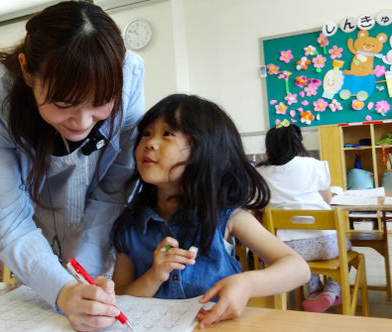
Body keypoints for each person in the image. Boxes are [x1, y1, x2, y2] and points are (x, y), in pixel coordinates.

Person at [0, 0, 144, 331]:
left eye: (100, 104)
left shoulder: (129, 75)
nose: (81, 123)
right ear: (26, 70)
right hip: (32, 238)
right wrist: (62, 290)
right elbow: (8, 218)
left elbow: (112, 192)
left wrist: (85, 283)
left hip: (96, 237)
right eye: (63, 104)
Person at [111, 94, 310, 328]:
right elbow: (121, 299)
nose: (150, 143)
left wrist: (246, 284)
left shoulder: (228, 218)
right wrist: (153, 276)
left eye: (167, 134)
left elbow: (297, 268)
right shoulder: (129, 225)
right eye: (146, 133)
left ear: (204, 150)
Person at [256, 120, 346, 313]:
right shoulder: (314, 165)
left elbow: (258, 203)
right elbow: (327, 199)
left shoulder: (260, 172)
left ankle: (314, 291)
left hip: (284, 249)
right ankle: (330, 292)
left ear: (269, 147)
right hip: (326, 245)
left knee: (302, 249)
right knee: (346, 246)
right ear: (298, 143)